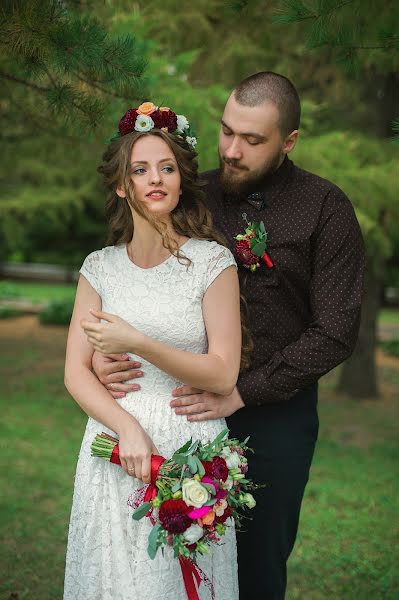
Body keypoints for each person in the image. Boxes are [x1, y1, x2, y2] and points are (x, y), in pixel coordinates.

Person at [93, 73, 365, 599]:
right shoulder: (189, 193)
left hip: (273, 417)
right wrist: (107, 355)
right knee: (167, 566)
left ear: (288, 142)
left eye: (253, 140)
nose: (232, 151)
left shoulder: (325, 208)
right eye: (226, 132)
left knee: (257, 565)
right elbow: (130, 270)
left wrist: (242, 391)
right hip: (180, 409)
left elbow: (335, 331)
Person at [63, 103, 245, 600]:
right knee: (116, 580)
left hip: (190, 447)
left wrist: (138, 343)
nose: (155, 179)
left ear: (181, 180)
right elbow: (76, 374)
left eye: (166, 168)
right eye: (139, 170)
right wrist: (127, 429)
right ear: (123, 186)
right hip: (115, 448)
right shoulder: (99, 268)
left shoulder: (212, 263)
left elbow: (223, 372)